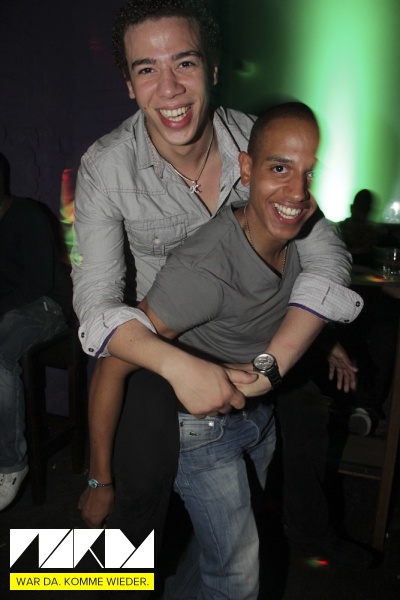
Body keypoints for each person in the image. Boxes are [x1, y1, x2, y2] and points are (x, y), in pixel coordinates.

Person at [72, 0, 361, 572]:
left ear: (213, 69)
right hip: (151, 341)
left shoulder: (258, 139)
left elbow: (323, 252)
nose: (170, 88)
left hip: (248, 337)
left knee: (305, 416)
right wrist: (176, 366)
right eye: (147, 69)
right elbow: (99, 311)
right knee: (135, 500)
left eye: (185, 62)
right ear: (129, 84)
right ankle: (72, 573)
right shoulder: (106, 167)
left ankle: (309, 540)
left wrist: (298, 344)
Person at [0, 152, 70, 511]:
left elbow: (38, 283)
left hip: (48, 306)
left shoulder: (27, 215)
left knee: (1, 347)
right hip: (11, 311)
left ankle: (11, 464)